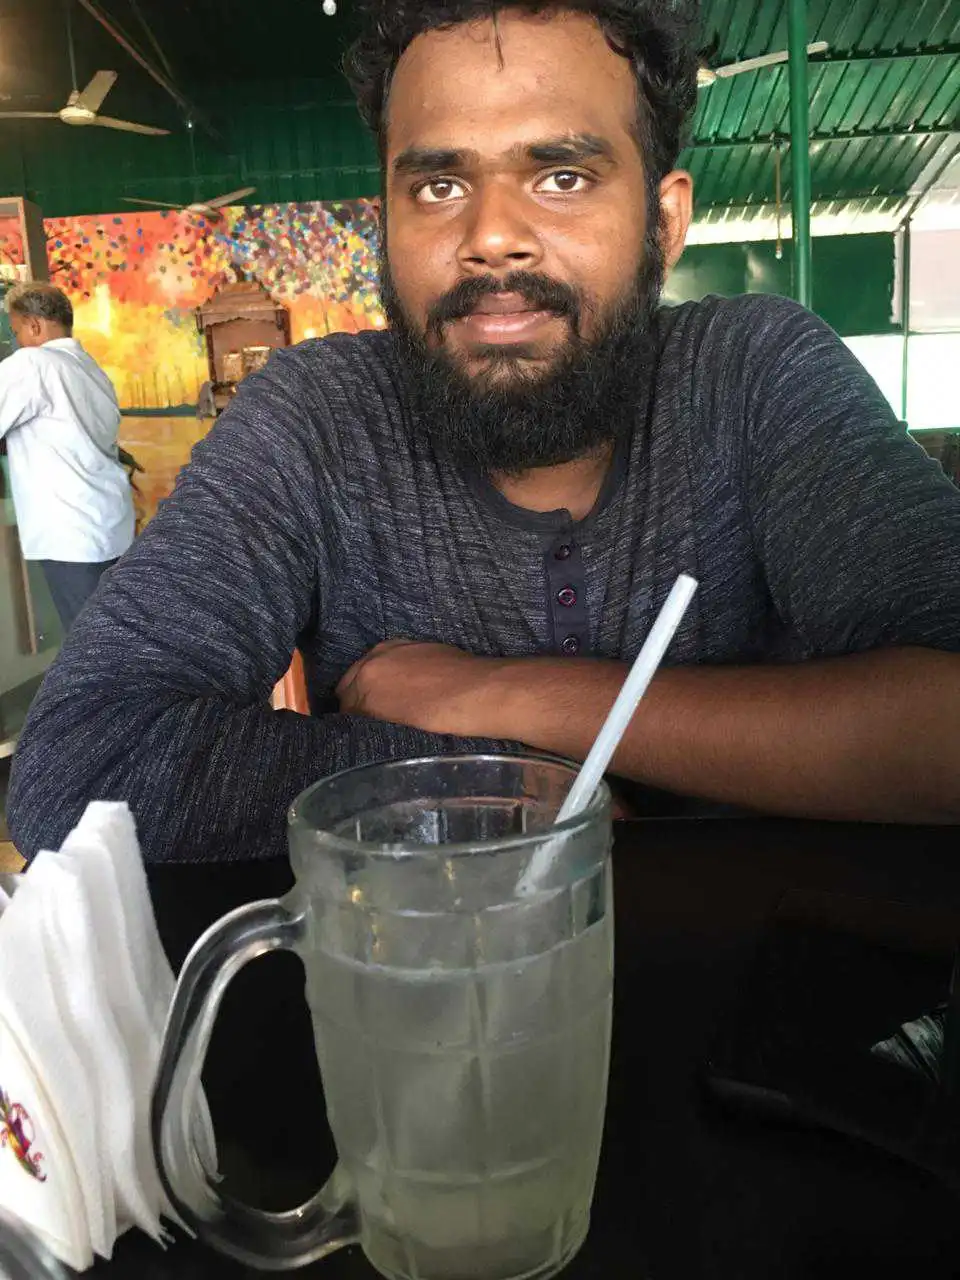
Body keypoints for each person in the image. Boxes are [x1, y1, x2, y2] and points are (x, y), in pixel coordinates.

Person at [8, 0, 960, 865]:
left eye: (563, 176)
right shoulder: (317, 418)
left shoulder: (753, 373)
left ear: (664, 223)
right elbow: (77, 770)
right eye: (437, 188)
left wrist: (501, 696)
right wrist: (508, 788)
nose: (491, 236)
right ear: (385, 221)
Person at [0, 282, 134, 632]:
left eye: (16, 331)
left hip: (70, 534)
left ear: (34, 325)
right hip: (110, 526)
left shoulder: (33, 363)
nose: (17, 341)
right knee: (118, 638)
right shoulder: (90, 368)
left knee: (91, 646)